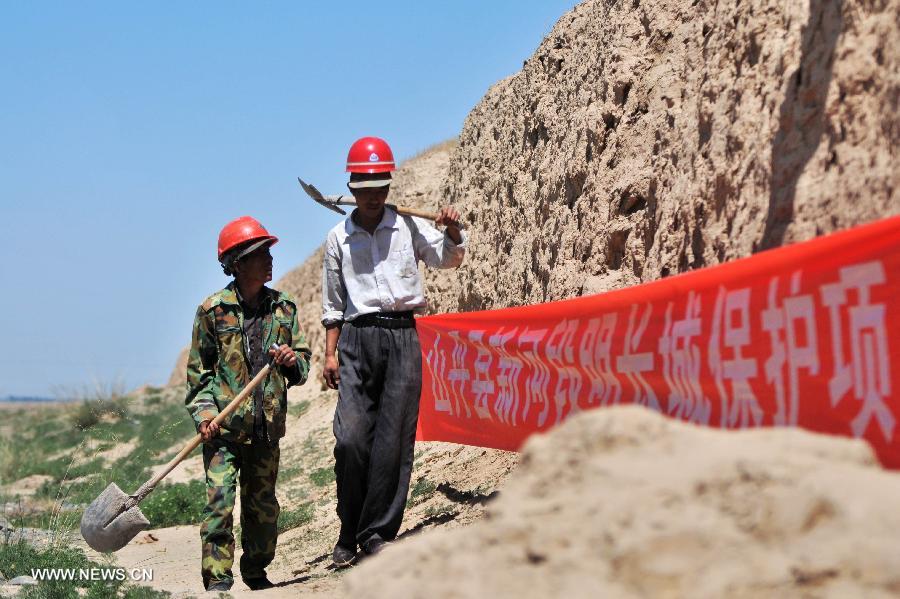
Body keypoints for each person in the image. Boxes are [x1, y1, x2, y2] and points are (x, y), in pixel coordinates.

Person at [321, 136, 466, 567]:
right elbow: (333, 306)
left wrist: (452, 228)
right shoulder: (337, 238)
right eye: (364, 187)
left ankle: (376, 533)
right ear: (352, 186)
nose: (372, 196)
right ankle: (350, 526)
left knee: (392, 441)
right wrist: (330, 355)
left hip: (404, 336)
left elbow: (449, 258)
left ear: (388, 186)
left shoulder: (408, 226)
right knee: (350, 439)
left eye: (380, 187)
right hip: (356, 339)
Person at [185, 216, 311, 592]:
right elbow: (199, 374)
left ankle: (256, 572)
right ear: (237, 263)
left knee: (263, 510)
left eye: (269, 251)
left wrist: (291, 361)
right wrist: (205, 415)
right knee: (219, 507)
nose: (269, 259)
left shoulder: (284, 309)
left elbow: (302, 366)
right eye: (260, 254)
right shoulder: (212, 311)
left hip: (266, 429)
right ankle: (218, 582)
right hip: (223, 431)